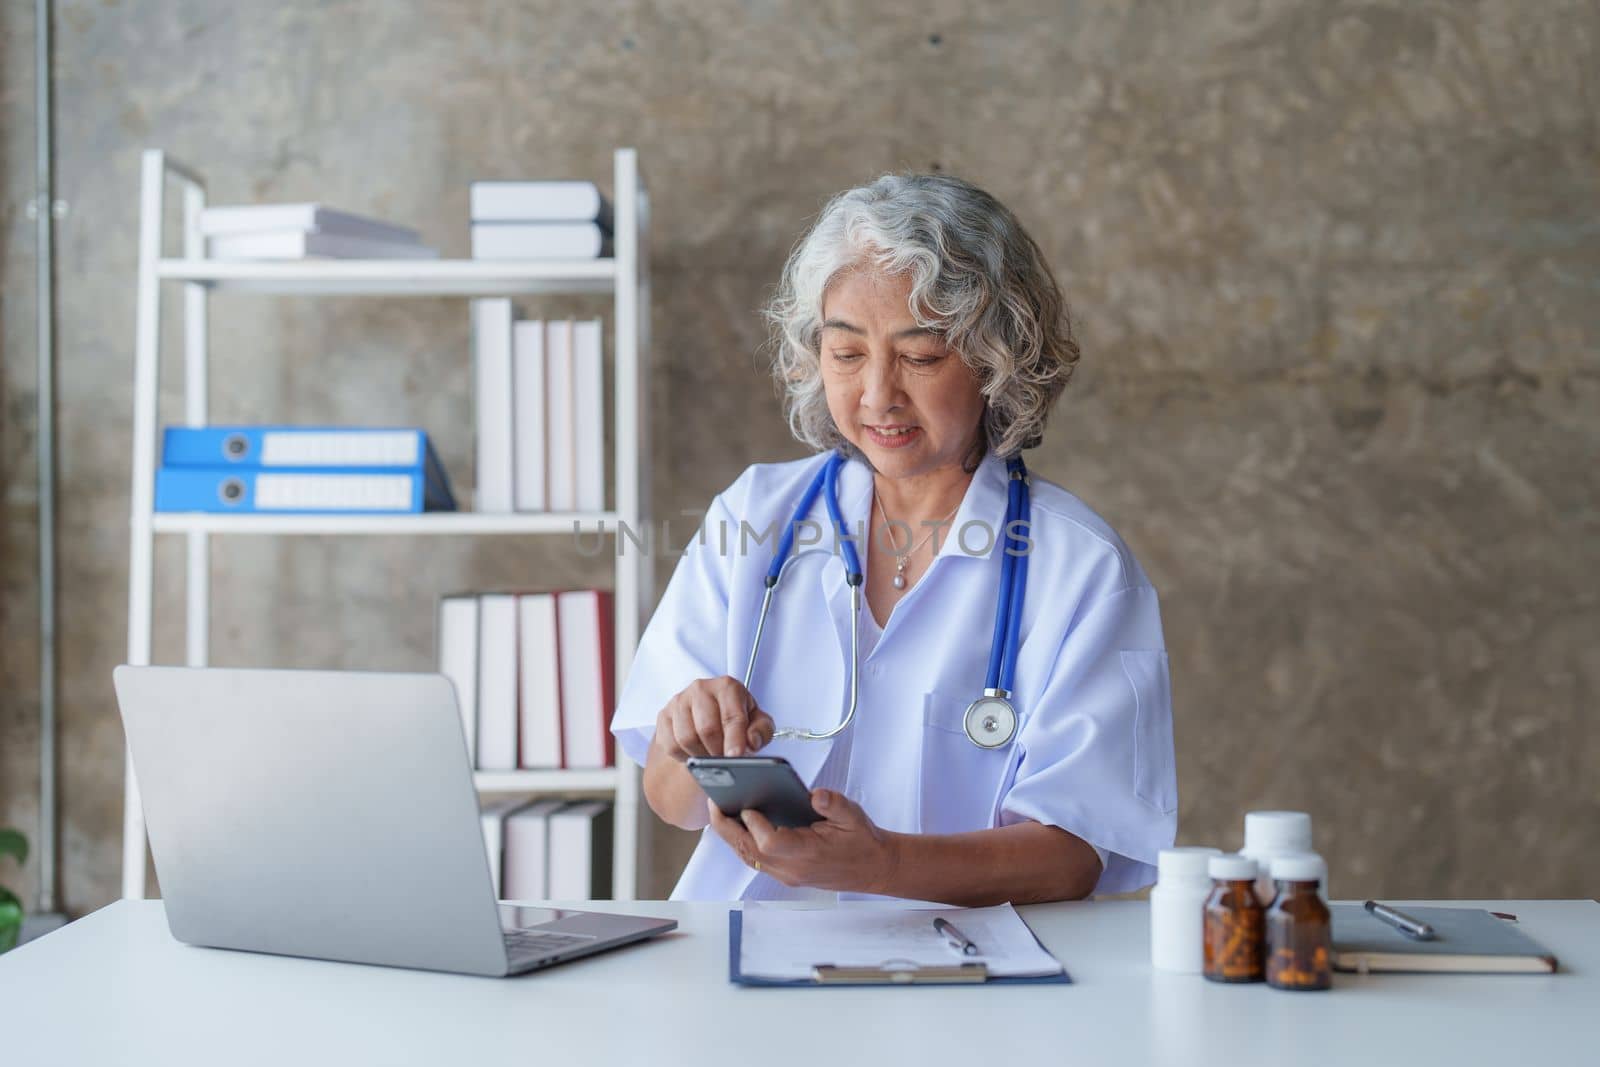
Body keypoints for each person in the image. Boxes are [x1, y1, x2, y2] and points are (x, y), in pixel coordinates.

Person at [610, 173, 1176, 904]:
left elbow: (1074, 855)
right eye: (847, 354)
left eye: (920, 356)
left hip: (966, 985)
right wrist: (683, 743)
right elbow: (672, 800)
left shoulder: (1082, 568)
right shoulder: (754, 516)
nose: (878, 394)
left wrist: (881, 865)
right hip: (741, 970)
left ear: (996, 358)